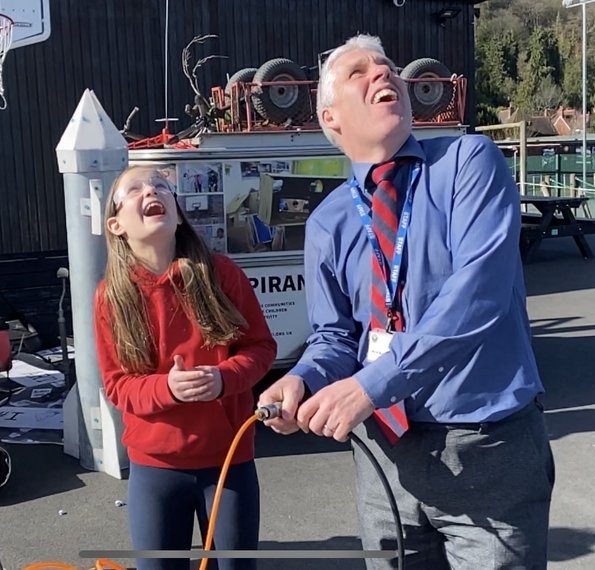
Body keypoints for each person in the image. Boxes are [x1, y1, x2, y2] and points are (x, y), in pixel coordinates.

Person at [258, 34, 555, 569]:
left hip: (484, 448)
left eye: (389, 67)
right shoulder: (328, 223)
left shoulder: (468, 161)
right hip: (382, 456)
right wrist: (302, 378)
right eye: (360, 72)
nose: (384, 74)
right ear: (331, 120)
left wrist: (371, 384)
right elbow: (335, 338)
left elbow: (479, 292)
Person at [93, 165, 276, 570]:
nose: (151, 191)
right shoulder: (111, 297)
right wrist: (168, 389)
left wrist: (224, 379)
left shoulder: (222, 273)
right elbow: (116, 385)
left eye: (161, 186)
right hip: (155, 468)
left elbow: (261, 348)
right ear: (116, 224)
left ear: (177, 213)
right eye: (135, 190)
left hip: (229, 461)